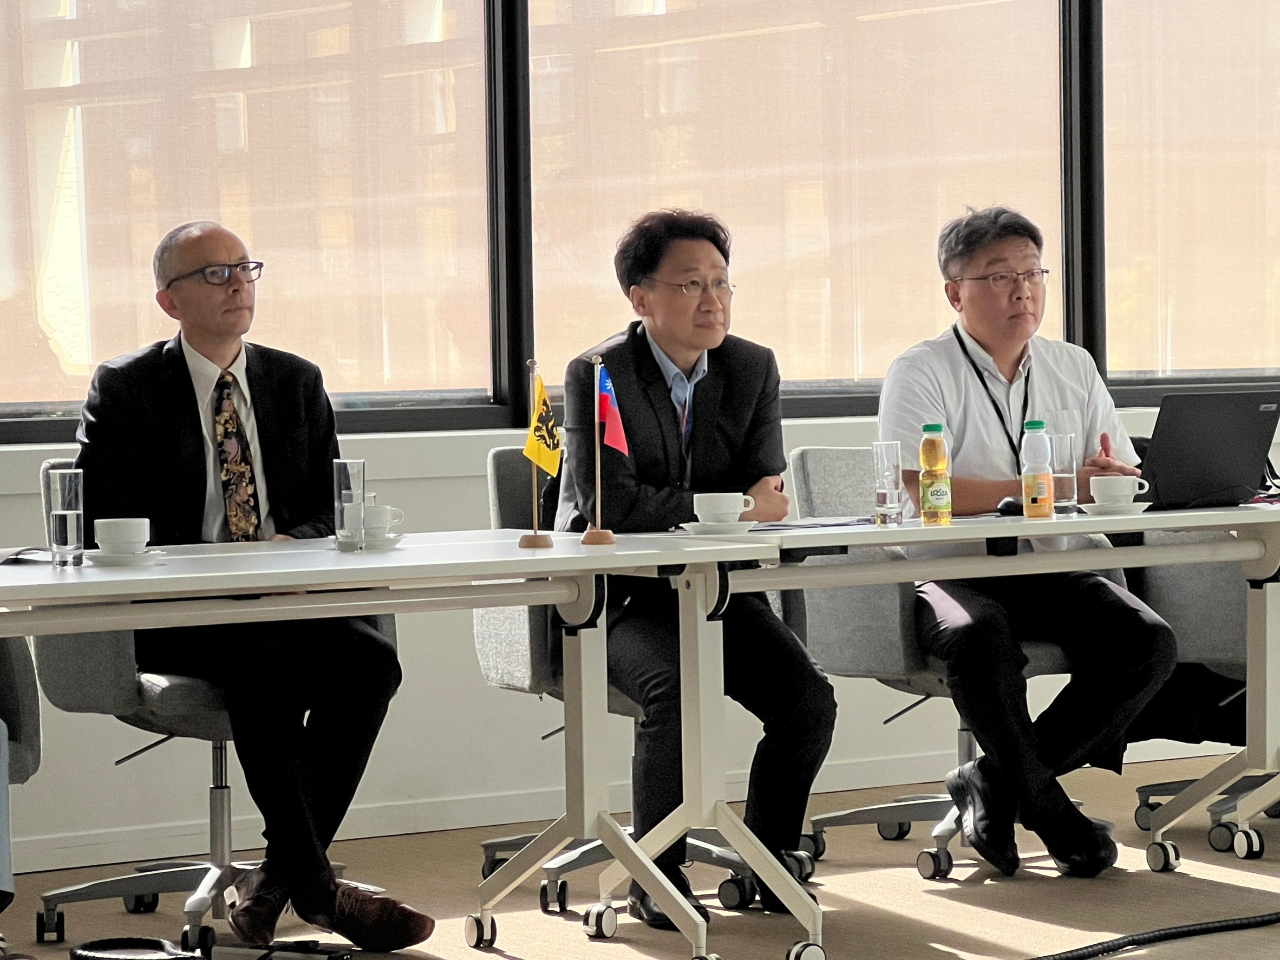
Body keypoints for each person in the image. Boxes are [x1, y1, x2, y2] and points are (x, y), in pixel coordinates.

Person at [75, 222, 434, 951]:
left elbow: (331, 508)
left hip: (283, 599)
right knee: (264, 665)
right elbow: (100, 520)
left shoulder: (295, 381)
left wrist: (288, 549)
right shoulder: (127, 387)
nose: (237, 283)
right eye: (214, 273)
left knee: (371, 662)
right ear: (169, 301)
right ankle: (318, 891)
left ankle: (277, 880)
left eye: (245, 268)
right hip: (178, 613)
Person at [555, 209, 837, 926]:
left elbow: (769, 492)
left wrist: (733, 508)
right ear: (640, 298)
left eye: (721, 283)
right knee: (677, 690)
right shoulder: (599, 374)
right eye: (690, 284)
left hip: (713, 590)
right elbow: (611, 506)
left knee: (807, 701)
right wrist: (733, 506)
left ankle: (770, 859)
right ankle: (657, 874)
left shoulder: (751, 366)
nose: (713, 300)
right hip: (613, 599)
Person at [878, 206, 1178, 878]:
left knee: (1146, 642)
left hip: (1048, 568)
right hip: (947, 575)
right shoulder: (921, 370)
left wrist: (1108, 478)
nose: (1023, 291)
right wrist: (1056, 483)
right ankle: (1046, 806)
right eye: (1000, 276)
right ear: (955, 292)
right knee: (979, 635)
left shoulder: (1071, 365)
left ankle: (995, 780)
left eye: (1033, 274)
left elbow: (1118, 473)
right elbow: (921, 489)